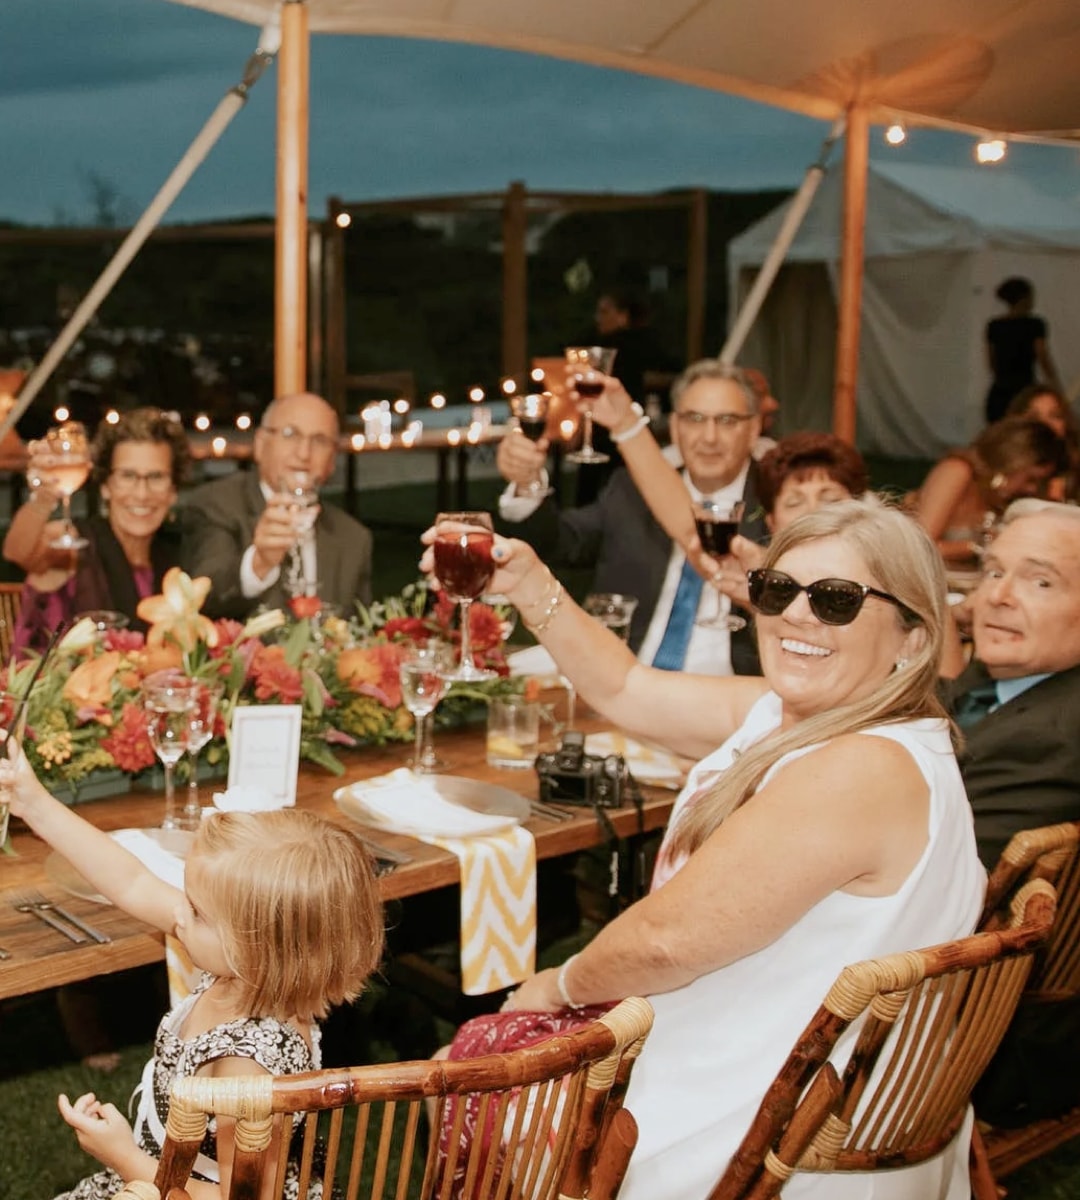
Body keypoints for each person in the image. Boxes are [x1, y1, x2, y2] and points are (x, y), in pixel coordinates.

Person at [424, 497, 985, 1200]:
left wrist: (551, 987)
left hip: (757, 1115)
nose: (797, 616)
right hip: (780, 1059)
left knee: (474, 1058)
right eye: (778, 590)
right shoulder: (808, 717)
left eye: (837, 600)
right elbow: (626, 687)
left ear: (912, 636)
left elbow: (665, 943)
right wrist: (528, 583)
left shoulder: (860, 767)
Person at [0, 750, 384, 1200]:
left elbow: (235, 1198)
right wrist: (34, 803)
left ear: (257, 948)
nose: (179, 915)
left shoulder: (247, 1064)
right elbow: (131, 882)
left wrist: (121, 1156)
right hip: (169, 1169)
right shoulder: (245, 974)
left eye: (197, 911)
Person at [495, 359, 769, 675]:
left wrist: (626, 424)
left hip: (731, 691)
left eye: (726, 420)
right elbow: (563, 543)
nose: (709, 437)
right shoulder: (633, 488)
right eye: (694, 419)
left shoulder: (778, 499)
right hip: (624, 678)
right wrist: (526, 483)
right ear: (676, 427)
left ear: (754, 429)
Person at [943, 499, 1080, 1126]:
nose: (998, 595)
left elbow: (941, 892)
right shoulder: (996, 687)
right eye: (994, 571)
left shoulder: (1050, 738)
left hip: (978, 1032)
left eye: (1040, 580)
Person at [3, 407, 189, 656]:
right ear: (105, 486)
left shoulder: (176, 553)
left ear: (173, 491)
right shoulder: (73, 544)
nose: (142, 493)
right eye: (128, 475)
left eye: (156, 477)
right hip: (50, 690)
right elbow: (18, 552)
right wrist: (44, 497)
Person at [181, 392, 373, 620]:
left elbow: (362, 638)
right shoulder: (216, 505)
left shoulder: (353, 538)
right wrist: (259, 562)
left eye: (319, 441)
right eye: (291, 435)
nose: (304, 453)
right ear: (261, 445)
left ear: (332, 460)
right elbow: (202, 598)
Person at [911, 416, 1064, 567]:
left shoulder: (1000, 498)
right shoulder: (958, 471)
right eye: (1030, 479)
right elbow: (920, 548)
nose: (1032, 489)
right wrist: (976, 547)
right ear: (1013, 461)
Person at [984, 277, 1063, 424]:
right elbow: (1043, 358)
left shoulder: (994, 326)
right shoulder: (1035, 325)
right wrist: (1055, 386)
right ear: (1024, 298)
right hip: (1024, 389)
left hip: (1000, 391)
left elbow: (991, 361)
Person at [1005, 383, 1080, 501]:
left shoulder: (1075, 469)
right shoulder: (1003, 472)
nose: (1045, 424)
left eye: (1054, 416)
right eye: (1034, 417)